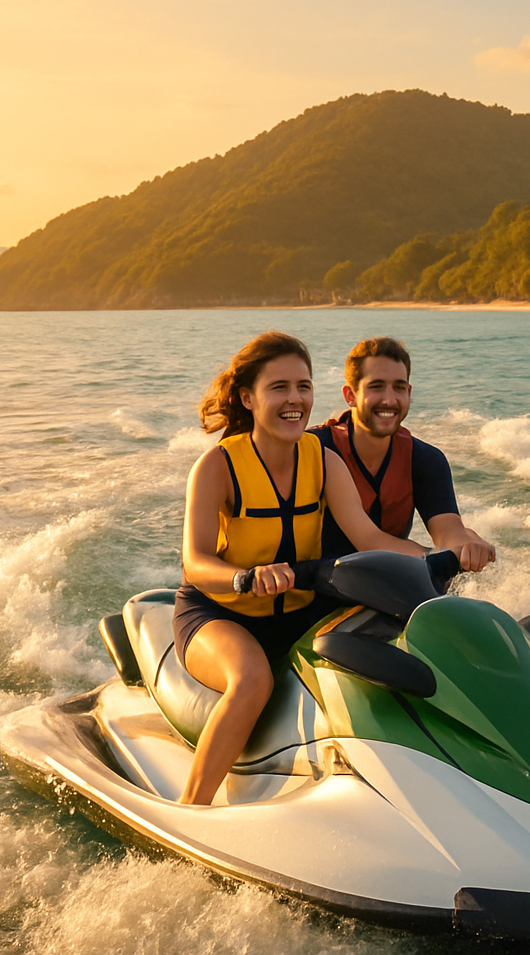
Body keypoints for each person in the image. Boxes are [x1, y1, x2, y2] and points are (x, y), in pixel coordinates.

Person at [175, 331, 437, 806]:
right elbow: (195, 563)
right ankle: (190, 808)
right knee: (254, 680)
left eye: (304, 386)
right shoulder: (217, 466)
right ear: (247, 398)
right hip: (220, 613)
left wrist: (436, 563)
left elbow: (370, 539)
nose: (295, 399)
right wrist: (246, 578)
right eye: (279, 388)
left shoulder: (324, 461)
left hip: (297, 612)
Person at [307, 336, 495, 571]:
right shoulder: (313, 449)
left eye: (399, 388)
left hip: (393, 584)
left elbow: (449, 531)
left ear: (409, 392)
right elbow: (369, 540)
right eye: (376, 387)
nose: (390, 400)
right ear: (350, 395)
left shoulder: (425, 459)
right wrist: (435, 557)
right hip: (315, 589)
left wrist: (462, 546)